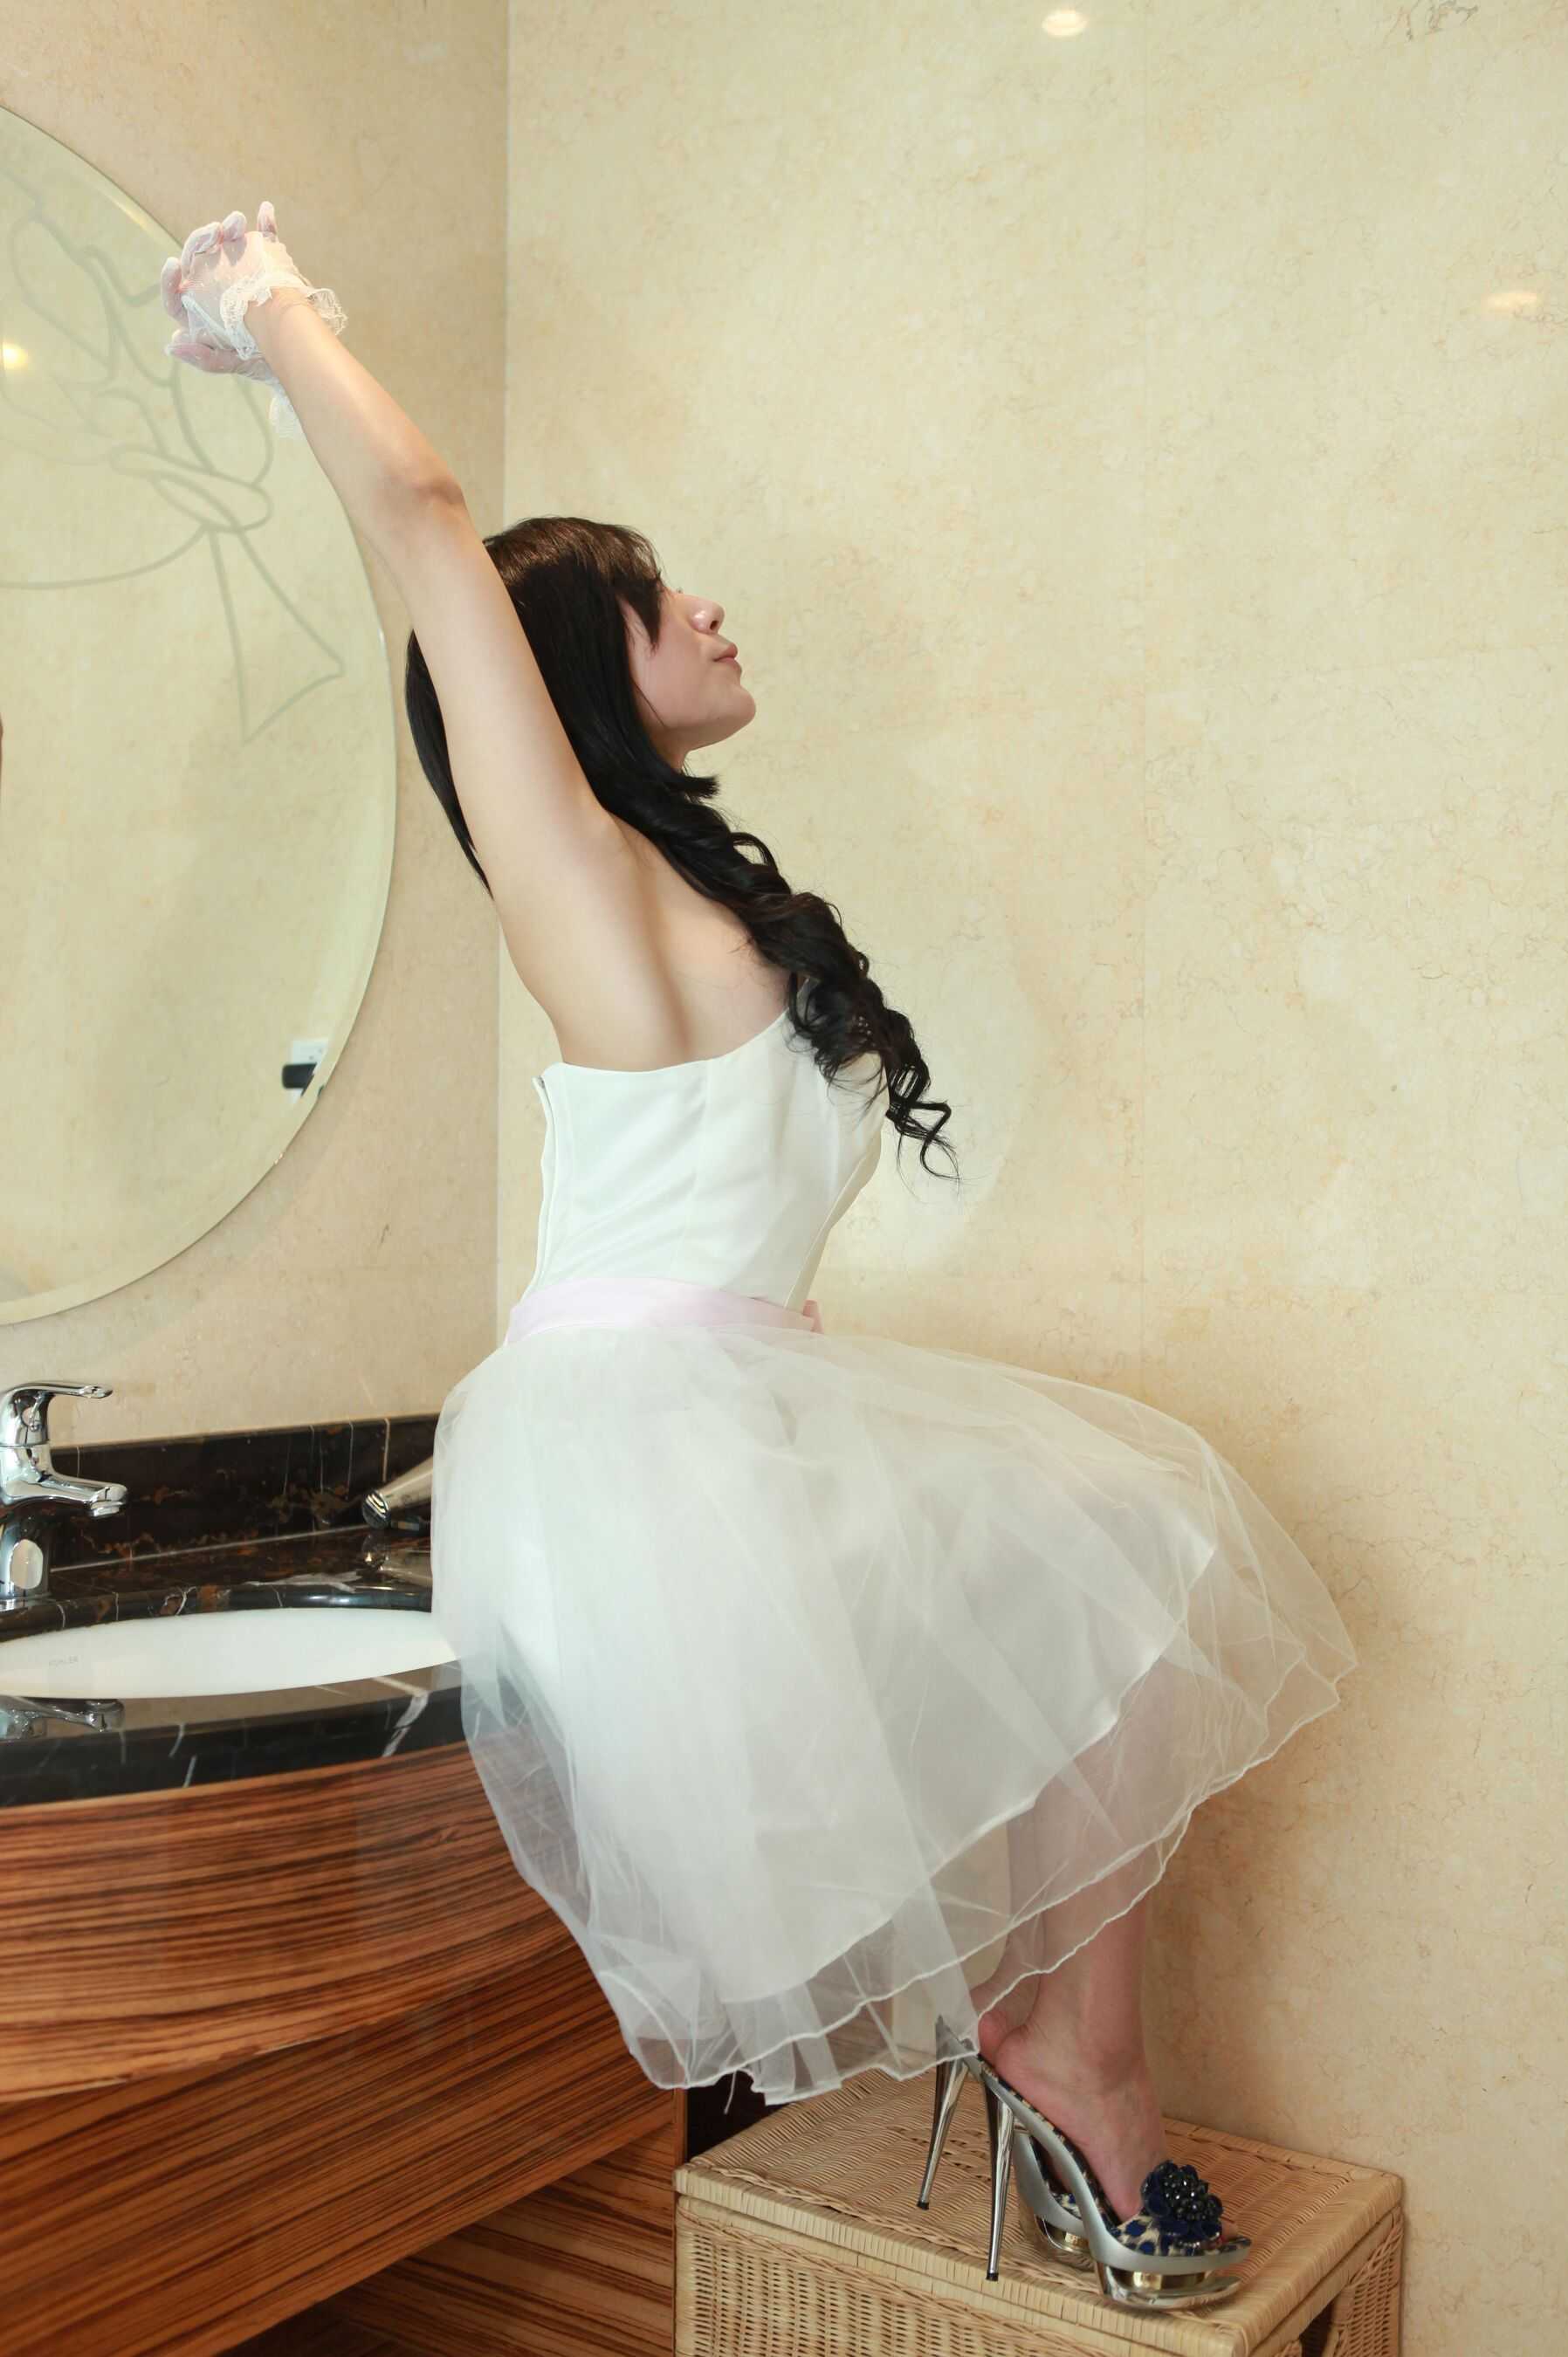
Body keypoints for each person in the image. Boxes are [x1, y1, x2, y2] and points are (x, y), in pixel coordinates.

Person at [163, 207, 1358, 2310]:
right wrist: (269, 309)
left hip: (738, 1404)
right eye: (652, 595)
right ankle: (1072, 2060)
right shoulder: (572, 866)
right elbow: (425, 526)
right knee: (1134, 1535)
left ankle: (1063, 2044)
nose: (704, 606)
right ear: (565, 676)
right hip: (636, 1439)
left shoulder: (695, 895)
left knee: (1134, 1549)